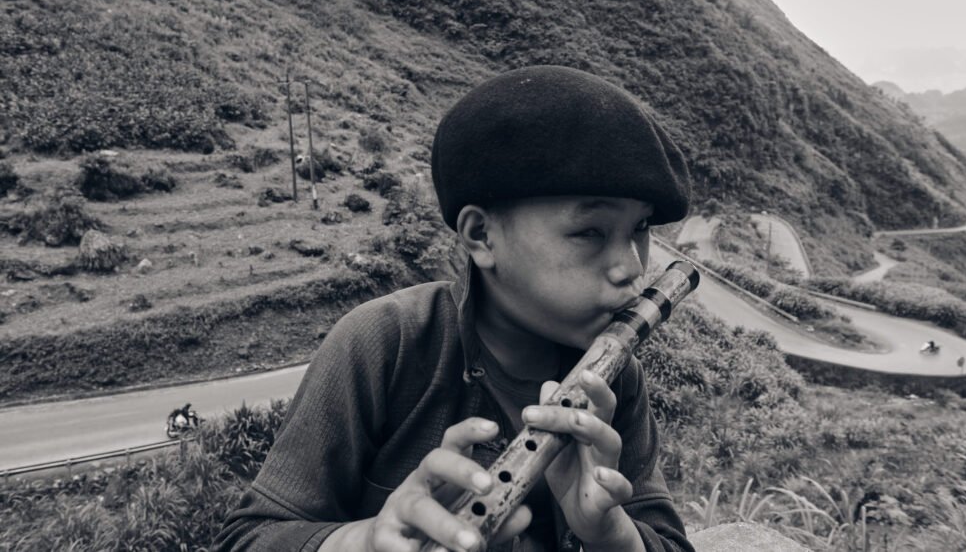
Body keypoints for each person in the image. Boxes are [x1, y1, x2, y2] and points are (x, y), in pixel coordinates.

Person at [215, 66, 696, 552]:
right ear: (481, 236)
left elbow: (668, 541)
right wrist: (366, 540)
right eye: (591, 231)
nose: (631, 268)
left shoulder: (613, 381)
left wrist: (612, 534)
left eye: (639, 229)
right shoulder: (384, 343)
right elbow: (250, 536)